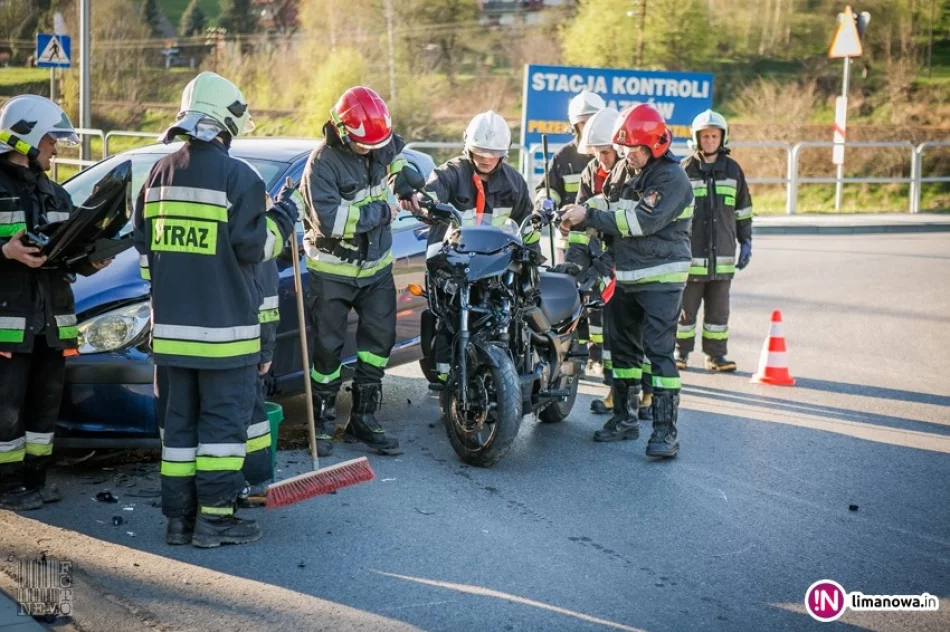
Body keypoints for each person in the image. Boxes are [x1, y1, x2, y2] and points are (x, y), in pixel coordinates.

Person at [133, 72, 297, 547]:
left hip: (170, 338)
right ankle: (215, 520)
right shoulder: (239, 178)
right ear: (228, 121)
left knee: (178, 432)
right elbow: (255, 247)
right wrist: (283, 219)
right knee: (223, 434)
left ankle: (178, 522)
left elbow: (146, 256)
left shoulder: (157, 176)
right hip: (225, 338)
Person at [560, 103, 693, 458]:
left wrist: (588, 213)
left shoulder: (671, 178)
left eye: (635, 149)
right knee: (622, 353)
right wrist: (577, 213)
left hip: (661, 279)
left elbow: (639, 221)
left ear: (655, 146)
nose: (628, 155)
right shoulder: (622, 169)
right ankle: (624, 419)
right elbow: (607, 201)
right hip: (625, 275)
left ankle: (665, 433)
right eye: (625, 148)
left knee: (660, 355)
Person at [0, 95, 112, 510]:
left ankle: (35, 480)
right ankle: (8, 485)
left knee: (44, 411)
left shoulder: (55, 193)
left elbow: (66, 255)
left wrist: (92, 261)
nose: (55, 147)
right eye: (50, 139)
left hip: (53, 324)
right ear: (26, 139)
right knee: (6, 413)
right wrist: (5, 252)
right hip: (8, 325)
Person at [300, 86, 411, 457]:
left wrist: (404, 176)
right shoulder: (322, 164)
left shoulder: (377, 140)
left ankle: (364, 419)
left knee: (378, 346)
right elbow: (331, 221)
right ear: (344, 131)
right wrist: (384, 211)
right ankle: (324, 422)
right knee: (328, 351)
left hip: (376, 268)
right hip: (332, 270)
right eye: (364, 145)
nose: (371, 150)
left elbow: (394, 155)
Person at [400, 111, 537, 384]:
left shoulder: (514, 183)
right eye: (480, 150)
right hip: (456, 266)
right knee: (446, 320)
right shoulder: (451, 174)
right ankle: (445, 380)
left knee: (511, 317)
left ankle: (508, 370)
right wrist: (419, 200)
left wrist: (532, 264)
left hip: (496, 268)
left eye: (493, 152)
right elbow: (431, 194)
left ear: (504, 153)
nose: (486, 157)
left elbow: (527, 224)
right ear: (468, 147)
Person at [676, 110, 753, 372]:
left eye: (714, 135)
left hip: (722, 258)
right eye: (705, 135)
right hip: (690, 258)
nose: (709, 140)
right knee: (685, 313)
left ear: (722, 138)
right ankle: (679, 354)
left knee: (718, 315)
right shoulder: (685, 169)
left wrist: (747, 242)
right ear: (696, 138)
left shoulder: (733, 170)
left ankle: (716, 357)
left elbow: (743, 210)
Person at [535, 90, 606, 259]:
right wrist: (545, 206)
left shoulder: (613, 153)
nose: (588, 126)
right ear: (575, 125)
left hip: (603, 240)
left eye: (593, 121)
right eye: (583, 122)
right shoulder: (564, 156)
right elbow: (549, 189)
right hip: (568, 241)